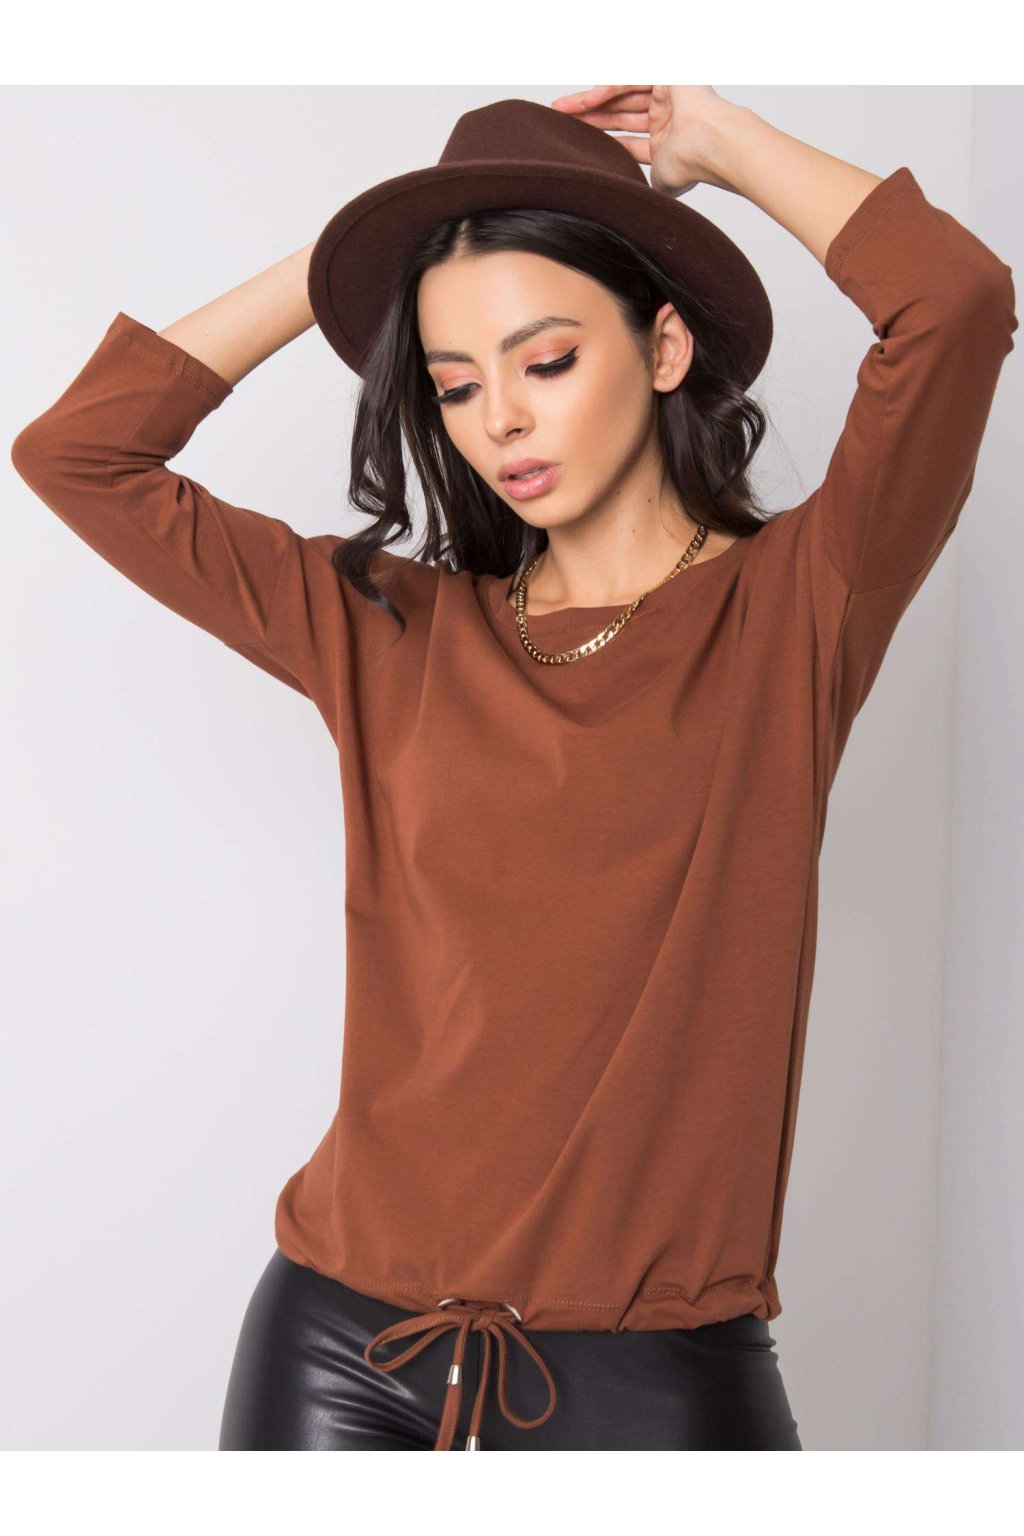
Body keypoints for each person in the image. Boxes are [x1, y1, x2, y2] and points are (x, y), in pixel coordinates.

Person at [10, 87, 1016, 1452]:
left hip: (653, 1370)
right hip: (339, 1342)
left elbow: (956, 301)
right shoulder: (390, 630)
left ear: (665, 346)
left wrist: (713, 139)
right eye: (457, 383)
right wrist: (361, 252)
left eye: (544, 361)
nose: (501, 422)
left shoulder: (797, 608)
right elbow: (79, 451)